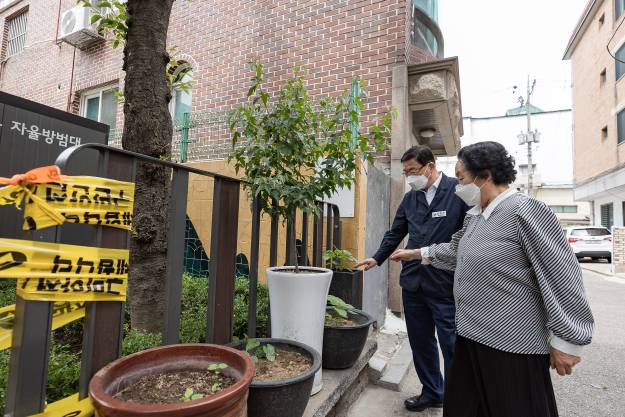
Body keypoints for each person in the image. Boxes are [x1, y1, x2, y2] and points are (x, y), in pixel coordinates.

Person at [390, 141, 595, 417]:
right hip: (470, 337)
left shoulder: (524, 211)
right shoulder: (475, 217)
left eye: (461, 178)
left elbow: (562, 276)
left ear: (485, 176)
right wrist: (418, 254)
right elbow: (454, 249)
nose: (457, 186)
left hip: (512, 346)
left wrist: (568, 340)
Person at [355, 145, 469, 412]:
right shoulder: (411, 199)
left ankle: (459, 398)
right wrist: (377, 257)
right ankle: (432, 391)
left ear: (430, 166)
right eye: (405, 172)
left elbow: (468, 236)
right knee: (421, 341)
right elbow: (395, 233)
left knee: (451, 343)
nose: (409, 177)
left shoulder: (458, 191)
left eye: (413, 171)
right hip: (413, 284)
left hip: (445, 284)